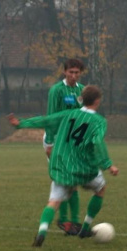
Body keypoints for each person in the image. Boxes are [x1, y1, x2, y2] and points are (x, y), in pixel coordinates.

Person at [8, 85, 119, 247]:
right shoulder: (99, 121)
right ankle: (85, 227)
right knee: (100, 189)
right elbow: (97, 142)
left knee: (53, 202)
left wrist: (21, 124)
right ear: (97, 101)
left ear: (82, 98)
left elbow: (46, 120)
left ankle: (42, 231)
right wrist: (108, 165)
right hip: (85, 168)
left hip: (63, 167)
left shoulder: (69, 114)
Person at [45, 58, 85, 236]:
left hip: (72, 142)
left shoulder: (82, 90)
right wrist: (50, 143)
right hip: (57, 140)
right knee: (65, 180)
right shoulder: (57, 90)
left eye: (77, 72)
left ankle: (71, 222)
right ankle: (66, 221)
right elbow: (51, 116)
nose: (74, 75)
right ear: (65, 72)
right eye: (71, 72)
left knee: (72, 182)